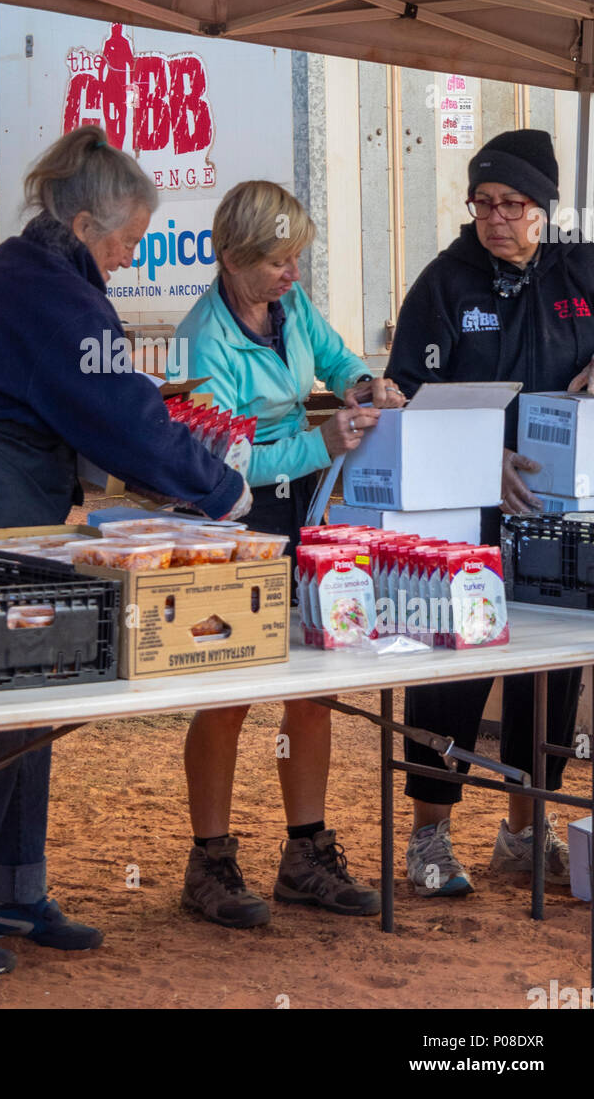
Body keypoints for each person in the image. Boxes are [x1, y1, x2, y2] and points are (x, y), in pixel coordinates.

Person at [0, 126, 251, 977]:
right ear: (84, 225)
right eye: (126, 240)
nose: (131, 255)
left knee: (28, 698)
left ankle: (13, 892)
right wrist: (221, 490)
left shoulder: (30, 272)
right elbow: (121, 416)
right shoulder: (52, 292)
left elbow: (100, 407)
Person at [170, 180, 405, 927]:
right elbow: (224, 463)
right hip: (233, 518)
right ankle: (208, 861)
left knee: (313, 682)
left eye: (296, 258)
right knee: (229, 690)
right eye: (278, 261)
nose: (292, 274)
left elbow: (336, 363)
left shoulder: (290, 308)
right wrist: (319, 441)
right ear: (233, 258)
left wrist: (368, 384)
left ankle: (305, 852)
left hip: (302, 503)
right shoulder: (201, 339)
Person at [387, 128, 594, 897]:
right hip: (462, 518)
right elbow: (400, 400)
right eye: (483, 202)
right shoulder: (445, 285)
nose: (496, 218)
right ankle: (429, 836)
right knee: (450, 676)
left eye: (513, 203)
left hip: (559, 527)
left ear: (544, 207)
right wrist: (483, 459)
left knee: (548, 678)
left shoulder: (582, 267)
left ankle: (523, 826)